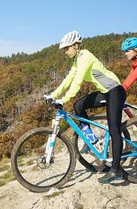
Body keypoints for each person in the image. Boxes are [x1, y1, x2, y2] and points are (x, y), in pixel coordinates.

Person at [45, 31, 127, 184]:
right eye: (64, 49)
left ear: (76, 46)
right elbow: (69, 78)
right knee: (79, 105)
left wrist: (64, 99)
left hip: (115, 91)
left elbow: (77, 81)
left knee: (114, 128)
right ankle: (92, 139)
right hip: (105, 92)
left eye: (67, 48)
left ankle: (115, 169)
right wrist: (53, 95)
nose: (65, 52)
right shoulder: (77, 59)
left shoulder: (86, 56)